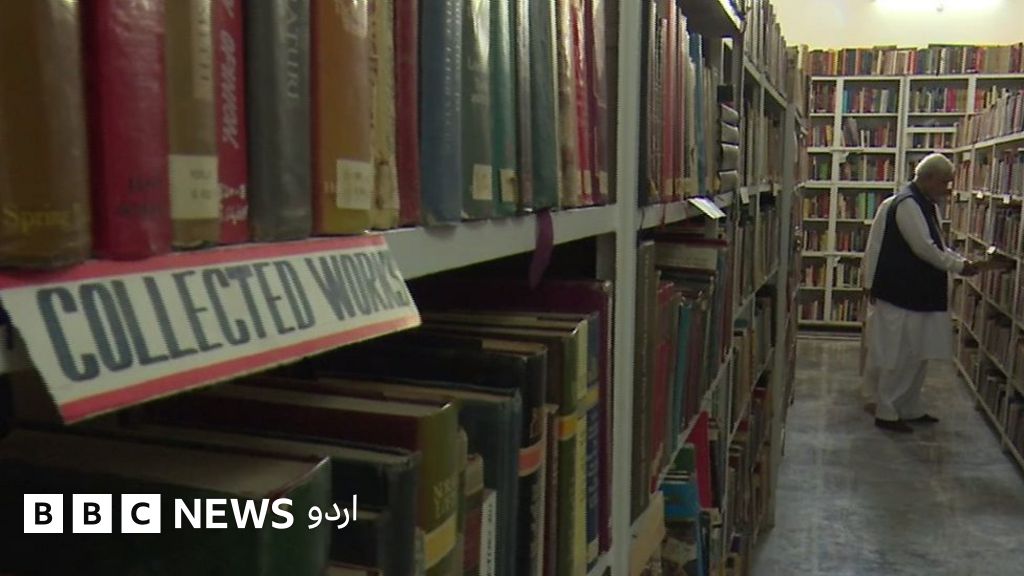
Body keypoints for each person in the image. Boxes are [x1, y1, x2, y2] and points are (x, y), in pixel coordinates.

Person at [860, 153, 999, 433]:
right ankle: (887, 410)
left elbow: (938, 246)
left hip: (918, 293)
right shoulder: (908, 205)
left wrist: (960, 261)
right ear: (929, 178)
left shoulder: (925, 204)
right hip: (901, 292)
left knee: (917, 353)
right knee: (898, 354)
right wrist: (960, 266)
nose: (947, 188)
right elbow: (924, 248)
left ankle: (909, 405)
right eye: (944, 182)